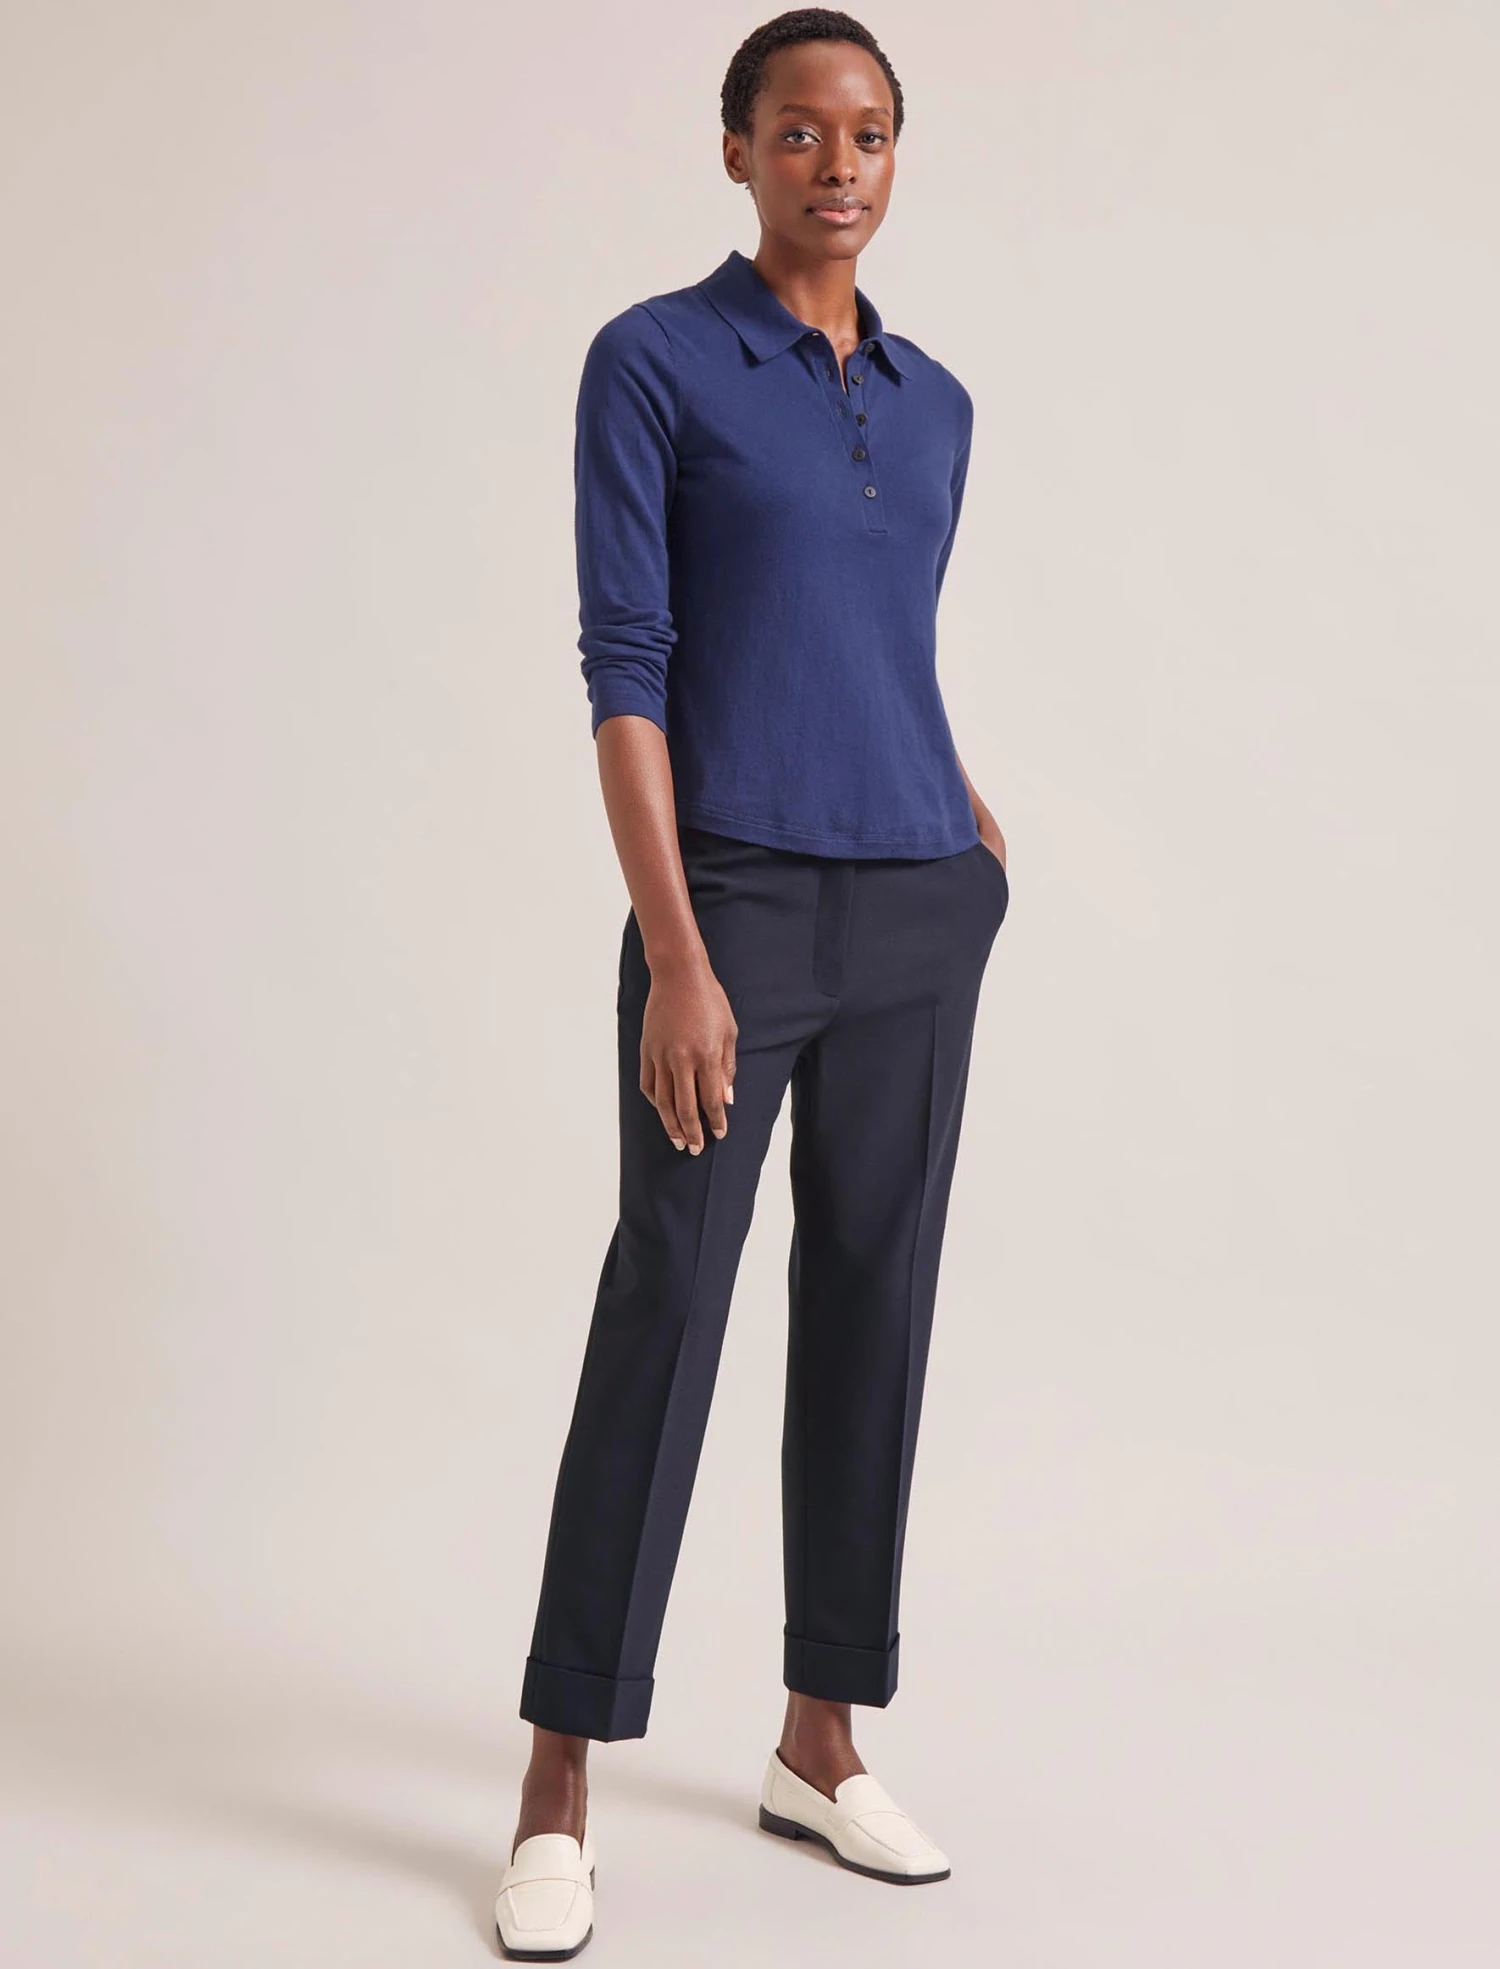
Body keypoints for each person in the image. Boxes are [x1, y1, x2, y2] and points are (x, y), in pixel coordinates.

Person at [496, 10, 1010, 1956]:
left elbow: (876, 636)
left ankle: (822, 1733)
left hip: (917, 905)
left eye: (868, 132)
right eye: (799, 132)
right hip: (732, 905)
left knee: (877, 1306)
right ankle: (559, 1776)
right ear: (737, 153)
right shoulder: (654, 361)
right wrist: (679, 955)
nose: (838, 164)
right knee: (667, 1305)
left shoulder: (939, 401)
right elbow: (626, 666)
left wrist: (960, 817)